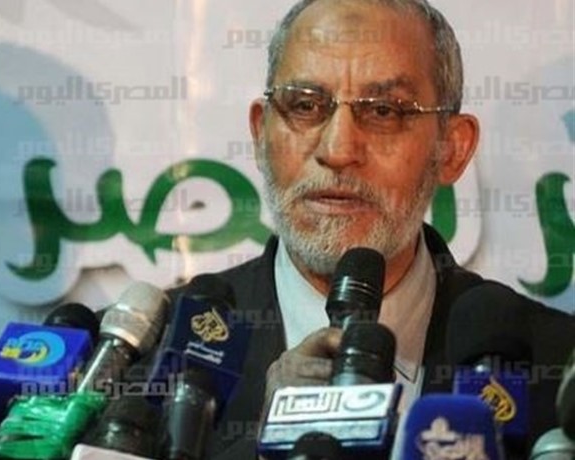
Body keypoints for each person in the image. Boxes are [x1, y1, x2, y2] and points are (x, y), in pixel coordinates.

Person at [184, 0, 575, 458]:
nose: (338, 149)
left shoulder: (557, 366)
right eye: (306, 105)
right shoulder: (149, 365)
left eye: (384, 111)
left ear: (451, 148)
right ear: (260, 134)